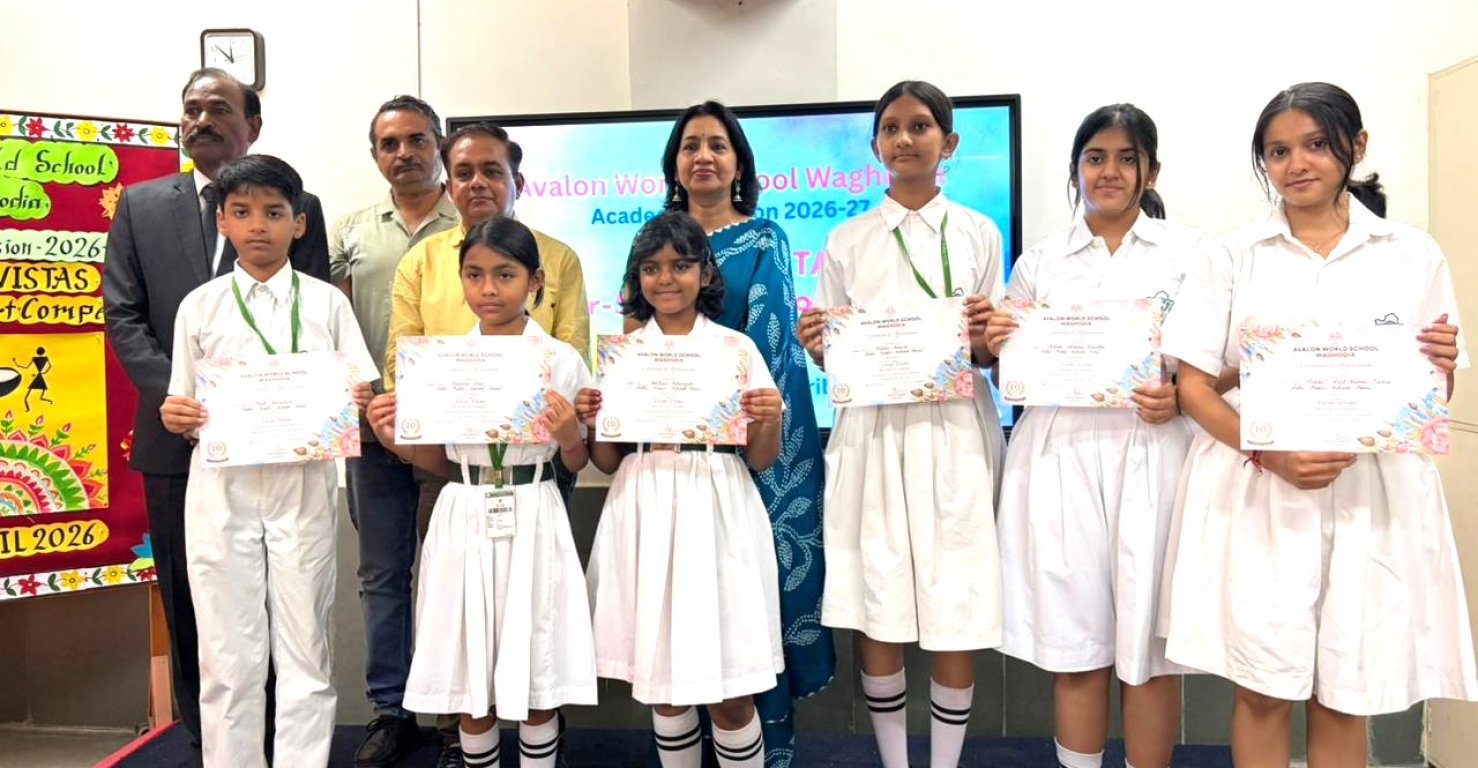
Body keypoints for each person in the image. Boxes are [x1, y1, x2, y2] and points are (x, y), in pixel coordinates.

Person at [1160, 81, 1478, 767]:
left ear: (1355, 147)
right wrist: (1270, 455)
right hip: (1260, 492)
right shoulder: (1232, 254)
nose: (1296, 164)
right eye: (1278, 152)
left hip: (1371, 495)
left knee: (1345, 690)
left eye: (1314, 145)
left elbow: (1429, 394)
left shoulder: (1411, 253)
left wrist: (1439, 367)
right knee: (1263, 688)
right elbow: (1192, 387)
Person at [101, 68, 329, 755]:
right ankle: (212, 745)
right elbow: (124, 314)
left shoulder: (297, 204)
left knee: (287, 612)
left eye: (220, 108)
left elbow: (310, 320)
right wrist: (179, 395)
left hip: (282, 450)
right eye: (192, 108)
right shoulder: (141, 205)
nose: (202, 119)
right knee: (193, 602)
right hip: (177, 441)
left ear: (251, 125)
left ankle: (280, 744)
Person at [985, 104, 1205, 768]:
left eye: (1127, 158)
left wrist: (1179, 395)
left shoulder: (1192, 255)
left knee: (1149, 655)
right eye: (1096, 157)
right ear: (1076, 168)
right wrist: (999, 345)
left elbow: (1216, 360)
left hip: (1155, 452)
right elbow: (1010, 377)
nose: (1110, 171)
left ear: (1151, 171)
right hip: (1060, 458)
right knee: (1075, 649)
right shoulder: (1041, 261)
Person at [797, 80, 1005, 768]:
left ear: (949, 142)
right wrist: (819, 344)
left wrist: (987, 336)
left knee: (955, 599)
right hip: (872, 437)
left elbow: (989, 351)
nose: (905, 138)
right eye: (890, 127)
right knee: (877, 594)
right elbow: (831, 353)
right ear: (875, 145)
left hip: (954, 434)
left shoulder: (978, 231)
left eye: (920, 126)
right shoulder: (847, 239)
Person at [385, 122, 591, 766]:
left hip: (535, 508)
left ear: (534, 282)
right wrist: (396, 439)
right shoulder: (443, 363)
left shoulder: (560, 361)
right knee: (469, 668)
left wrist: (568, 433)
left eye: (505, 275)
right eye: (474, 276)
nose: (489, 289)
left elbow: (579, 459)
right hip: (463, 508)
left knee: (537, 664)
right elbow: (435, 460)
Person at [159, 154, 374, 766]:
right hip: (221, 488)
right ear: (222, 221)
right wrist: (175, 415)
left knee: (306, 646)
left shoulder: (328, 303)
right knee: (228, 652)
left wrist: (358, 399)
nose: (259, 225)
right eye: (243, 212)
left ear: (298, 223)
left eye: (274, 213)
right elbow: (181, 402)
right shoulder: (199, 306)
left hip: (302, 486)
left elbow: (360, 387)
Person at [652, 100, 833, 767]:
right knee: (677, 622)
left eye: (717, 145)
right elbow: (642, 343)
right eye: (690, 145)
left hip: (748, 464)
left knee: (742, 615)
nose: (703, 156)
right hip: (670, 467)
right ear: (674, 164)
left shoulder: (764, 239)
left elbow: (772, 351)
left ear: (738, 164)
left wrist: (736, 435)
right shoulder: (654, 240)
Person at [581, 211, 785, 768]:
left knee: (730, 686)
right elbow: (606, 460)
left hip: (718, 504)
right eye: (650, 268)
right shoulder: (623, 354)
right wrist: (595, 422)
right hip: (644, 502)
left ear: (706, 273)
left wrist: (768, 420)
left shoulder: (736, 349)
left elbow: (761, 458)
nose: (665, 279)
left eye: (680, 265)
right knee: (663, 682)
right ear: (636, 278)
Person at [330, 94, 460, 767]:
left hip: (450, 432)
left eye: (417, 140)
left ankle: (453, 716)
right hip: (372, 427)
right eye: (390, 143)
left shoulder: (473, 223)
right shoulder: (348, 232)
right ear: (375, 155)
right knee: (382, 574)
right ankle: (391, 710)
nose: (404, 153)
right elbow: (326, 323)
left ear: (439, 145)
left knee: (449, 571)